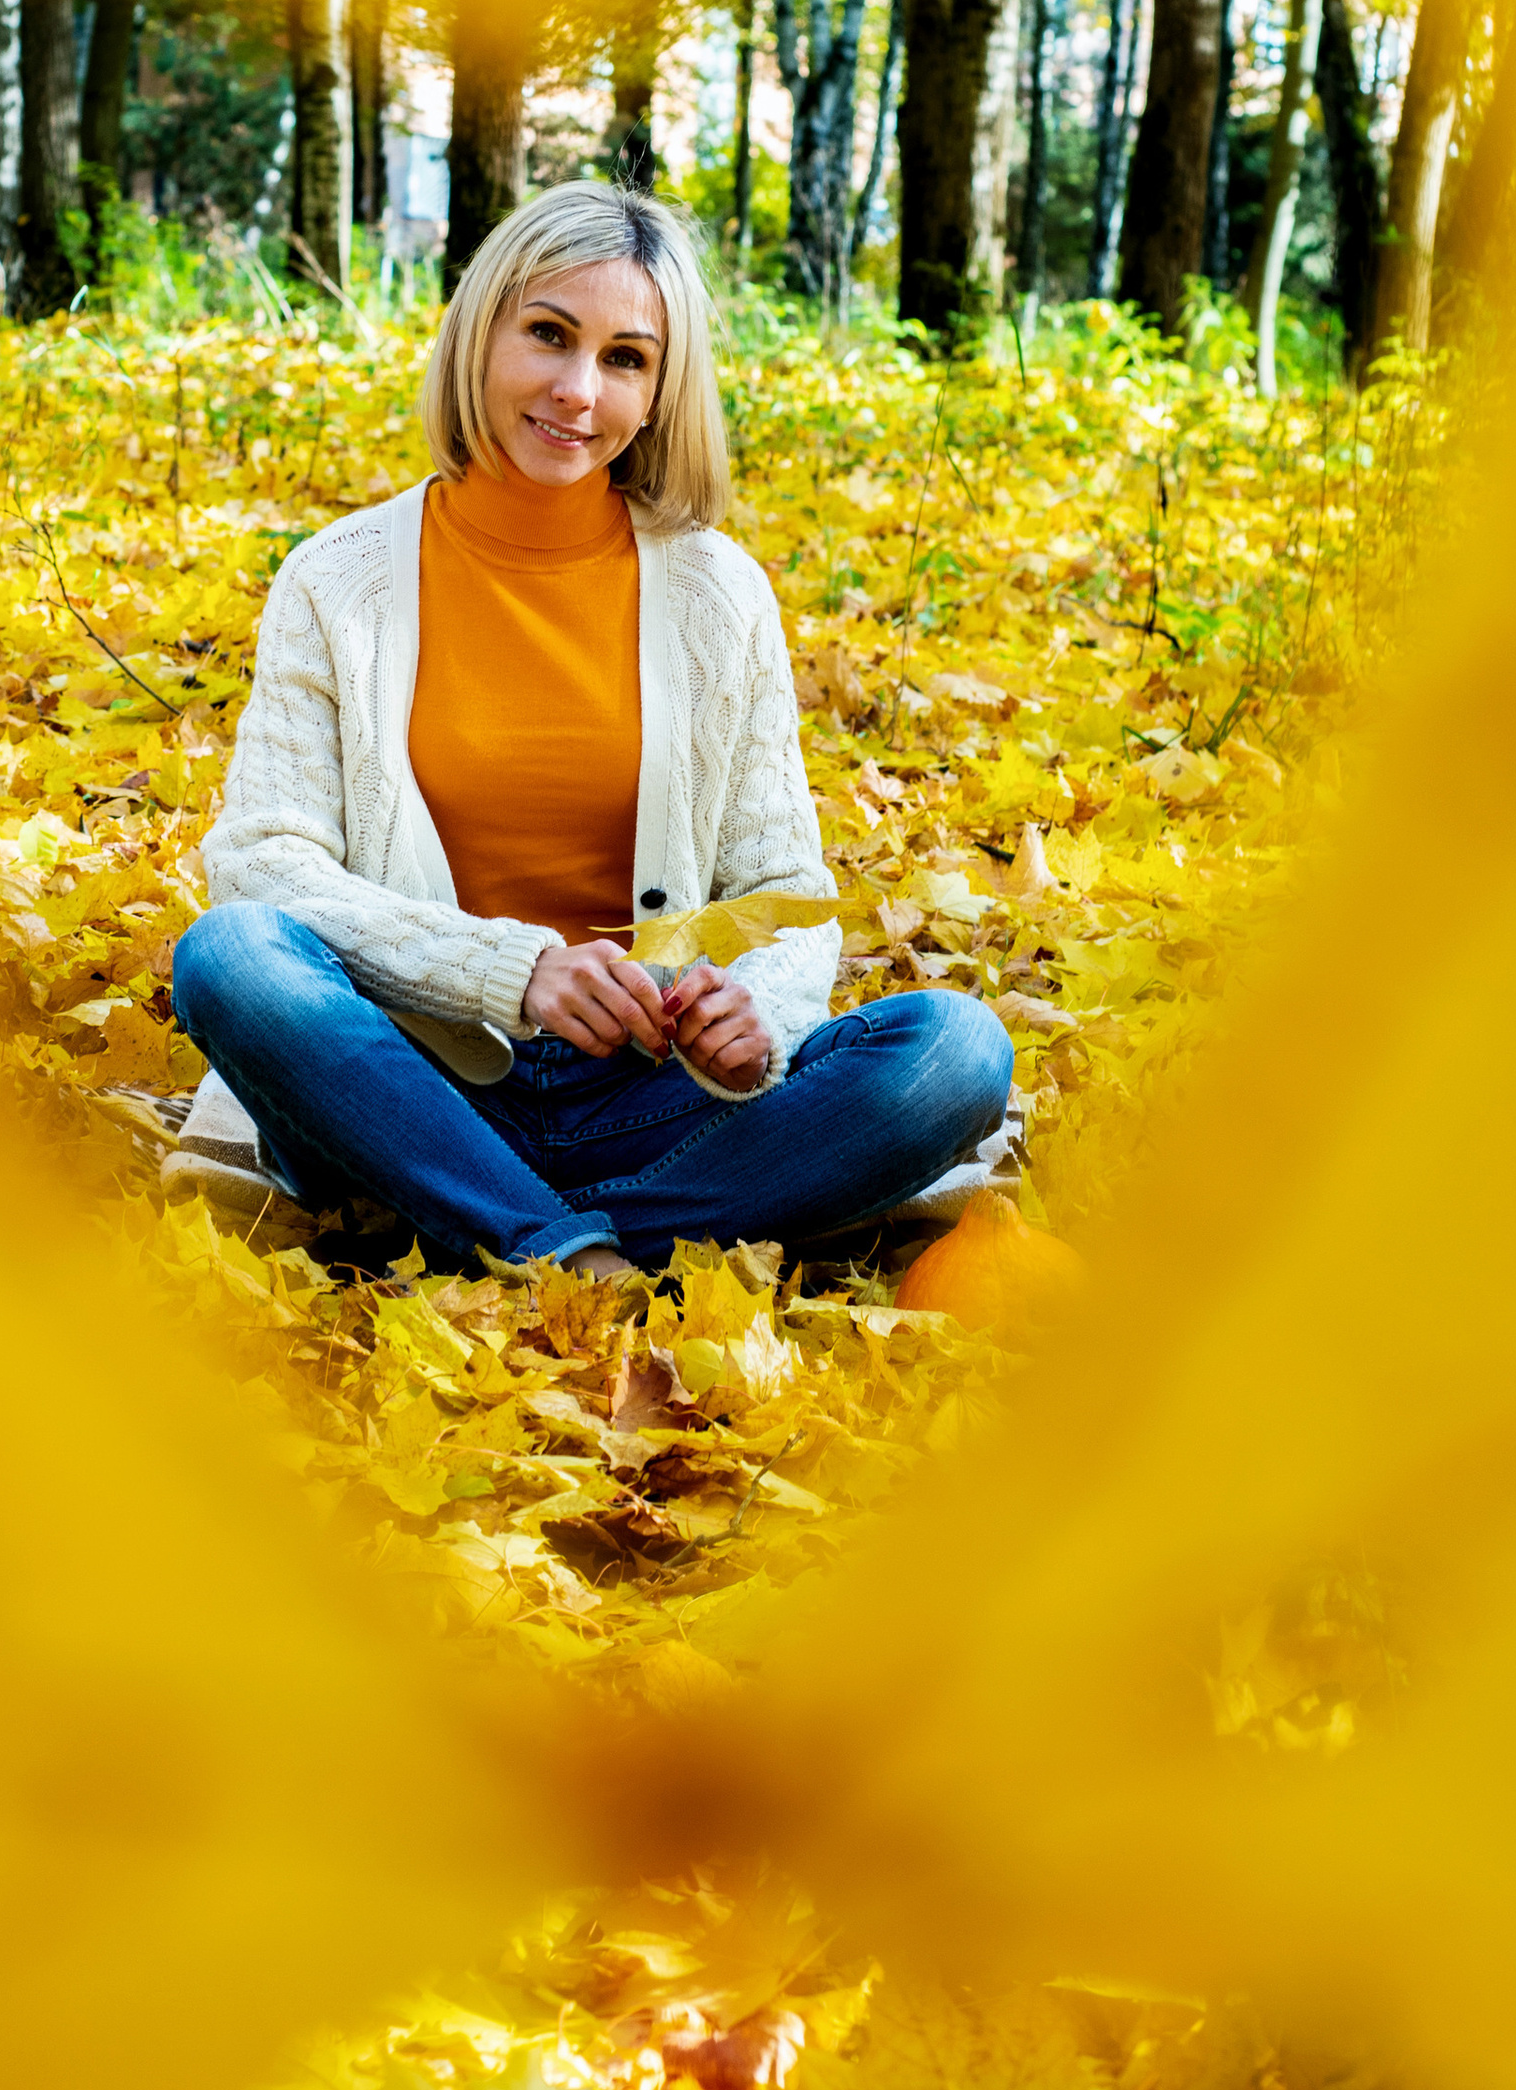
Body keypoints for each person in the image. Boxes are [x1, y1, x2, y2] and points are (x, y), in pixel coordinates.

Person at [170, 182, 1012, 1275]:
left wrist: (752, 1012)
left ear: (660, 393)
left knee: (956, 1051)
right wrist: (512, 972)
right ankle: (575, 1238)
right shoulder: (337, 580)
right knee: (230, 954)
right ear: (480, 334)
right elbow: (262, 862)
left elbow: (784, 889)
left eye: (625, 359)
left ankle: (513, 1229)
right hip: (407, 1079)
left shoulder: (717, 592)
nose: (577, 390)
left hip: (650, 1096)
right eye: (548, 335)